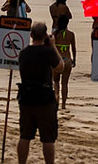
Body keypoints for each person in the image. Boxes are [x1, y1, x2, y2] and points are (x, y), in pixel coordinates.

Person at [17, 22, 64, 164]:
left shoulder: (24, 53)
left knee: (25, 136)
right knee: (48, 138)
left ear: (31, 35)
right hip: (44, 98)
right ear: (45, 36)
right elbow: (60, 67)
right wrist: (53, 46)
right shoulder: (48, 52)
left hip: (26, 97)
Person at [52, 15, 77, 110]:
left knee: (56, 81)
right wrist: (74, 59)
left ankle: (56, 96)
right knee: (65, 83)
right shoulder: (71, 34)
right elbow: (73, 48)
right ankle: (64, 104)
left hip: (57, 60)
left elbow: (51, 48)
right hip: (67, 60)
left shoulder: (54, 34)